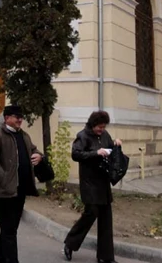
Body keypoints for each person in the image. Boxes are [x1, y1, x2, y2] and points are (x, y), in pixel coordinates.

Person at [0, 105, 43, 263]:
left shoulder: (24, 136)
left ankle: (0, 259)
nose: (20, 120)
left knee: (9, 229)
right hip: (5, 191)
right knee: (9, 231)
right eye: (17, 117)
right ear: (7, 118)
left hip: (20, 190)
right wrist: (4, 178)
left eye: (21, 117)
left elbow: (35, 150)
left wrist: (38, 156)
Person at [63, 110, 121, 263]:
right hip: (89, 183)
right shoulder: (83, 136)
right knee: (91, 213)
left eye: (103, 127)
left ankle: (106, 257)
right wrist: (96, 153)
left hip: (103, 182)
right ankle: (70, 243)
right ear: (93, 124)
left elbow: (110, 149)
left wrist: (115, 144)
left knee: (106, 219)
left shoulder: (105, 135)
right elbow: (76, 154)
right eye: (99, 127)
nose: (102, 130)